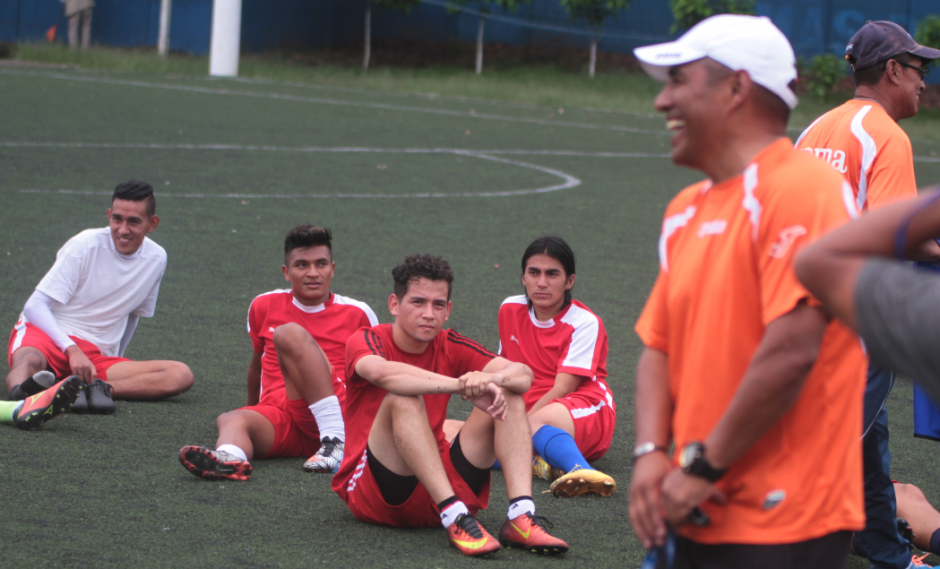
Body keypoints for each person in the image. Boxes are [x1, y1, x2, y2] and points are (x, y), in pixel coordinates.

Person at [628, 14, 867, 568]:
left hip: (784, 522)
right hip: (695, 506)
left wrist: (705, 467)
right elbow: (658, 347)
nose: (663, 101)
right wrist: (649, 453)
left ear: (736, 87)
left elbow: (791, 352)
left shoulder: (804, 189)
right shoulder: (684, 210)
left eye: (678, 80)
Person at [795, 21, 940, 569]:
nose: (925, 81)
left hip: (801, 313)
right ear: (893, 71)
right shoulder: (886, 135)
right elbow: (894, 233)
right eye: (919, 69)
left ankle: (885, 547)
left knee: (867, 435)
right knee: (831, 447)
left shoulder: (815, 128)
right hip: (855, 321)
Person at [331, 253, 569, 557]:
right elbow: (382, 374)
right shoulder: (366, 338)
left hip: (440, 481)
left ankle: (520, 516)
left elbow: (523, 375)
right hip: (377, 492)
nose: (428, 313)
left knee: (507, 390)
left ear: (448, 310)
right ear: (394, 304)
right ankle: (454, 516)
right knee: (402, 398)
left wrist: (491, 380)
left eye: (438, 305)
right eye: (418, 302)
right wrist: (460, 384)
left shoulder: (450, 343)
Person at [179, 225, 378, 481]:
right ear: (286, 272)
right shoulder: (263, 305)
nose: (313, 273)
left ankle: (335, 440)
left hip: (338, 415)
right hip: (285, 418)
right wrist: (252, 410)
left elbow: (374, 375)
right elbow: (257, 364)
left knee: (288, 334)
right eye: (302, 265)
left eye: (321, 264)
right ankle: (230, 459)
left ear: (332, 269)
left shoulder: (358, 312)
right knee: (231, 418)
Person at [4, 180, 192, 422]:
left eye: (133, 221)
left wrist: (116, 357)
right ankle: (19, 403)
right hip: (47, 334)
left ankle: (86, 390)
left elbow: (133, 314)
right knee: (30, 360)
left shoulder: (156, 258)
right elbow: (34, 306)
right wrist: (71, 349)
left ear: (152, 223)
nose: (123, 229)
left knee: (180, 374)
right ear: (109, 215)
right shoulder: (85, 244)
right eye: (117, 219)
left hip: (94, 356)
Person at [444, 236, 616, 497]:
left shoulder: (585, 322)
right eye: (534, 273)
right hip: (528, 409)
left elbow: (562, 388)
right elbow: (506, 369)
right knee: (445, 432)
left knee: (528, 427)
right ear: (523, 277)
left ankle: (582, 470)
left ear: (569, 281)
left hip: (584, 407)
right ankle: (541, 466)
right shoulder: (510, 309)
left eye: (552, 274)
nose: (542, 282)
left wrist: (515, 428)